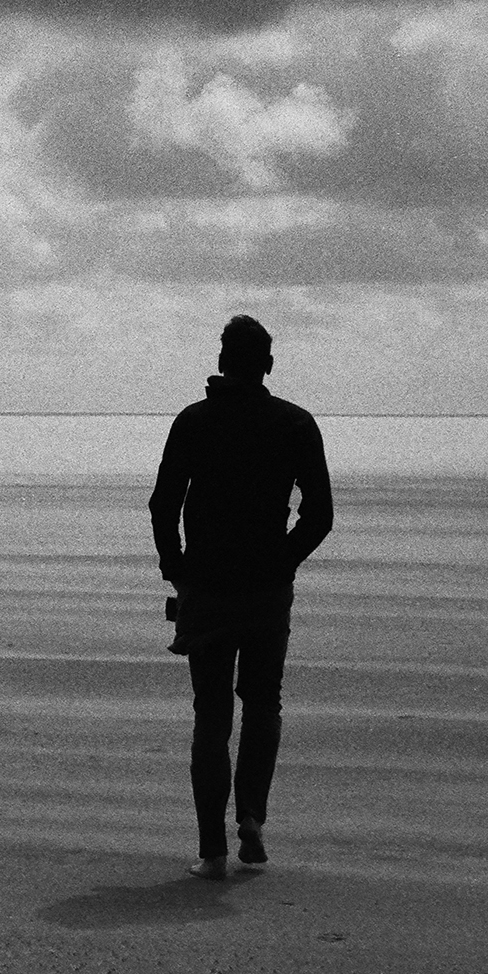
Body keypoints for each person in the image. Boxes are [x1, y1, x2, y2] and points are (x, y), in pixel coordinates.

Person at [148, 315, 333, 881]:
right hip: (266, 592)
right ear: (268, 365)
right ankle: (251, 815)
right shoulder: (295, 423)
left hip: (206, 586)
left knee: (211, 716)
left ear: (223, 362)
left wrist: (177, 572)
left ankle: (212, 852)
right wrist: (281, 561)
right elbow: (319, 516)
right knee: (262, 703)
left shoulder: (194, 421)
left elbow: (162, 505)